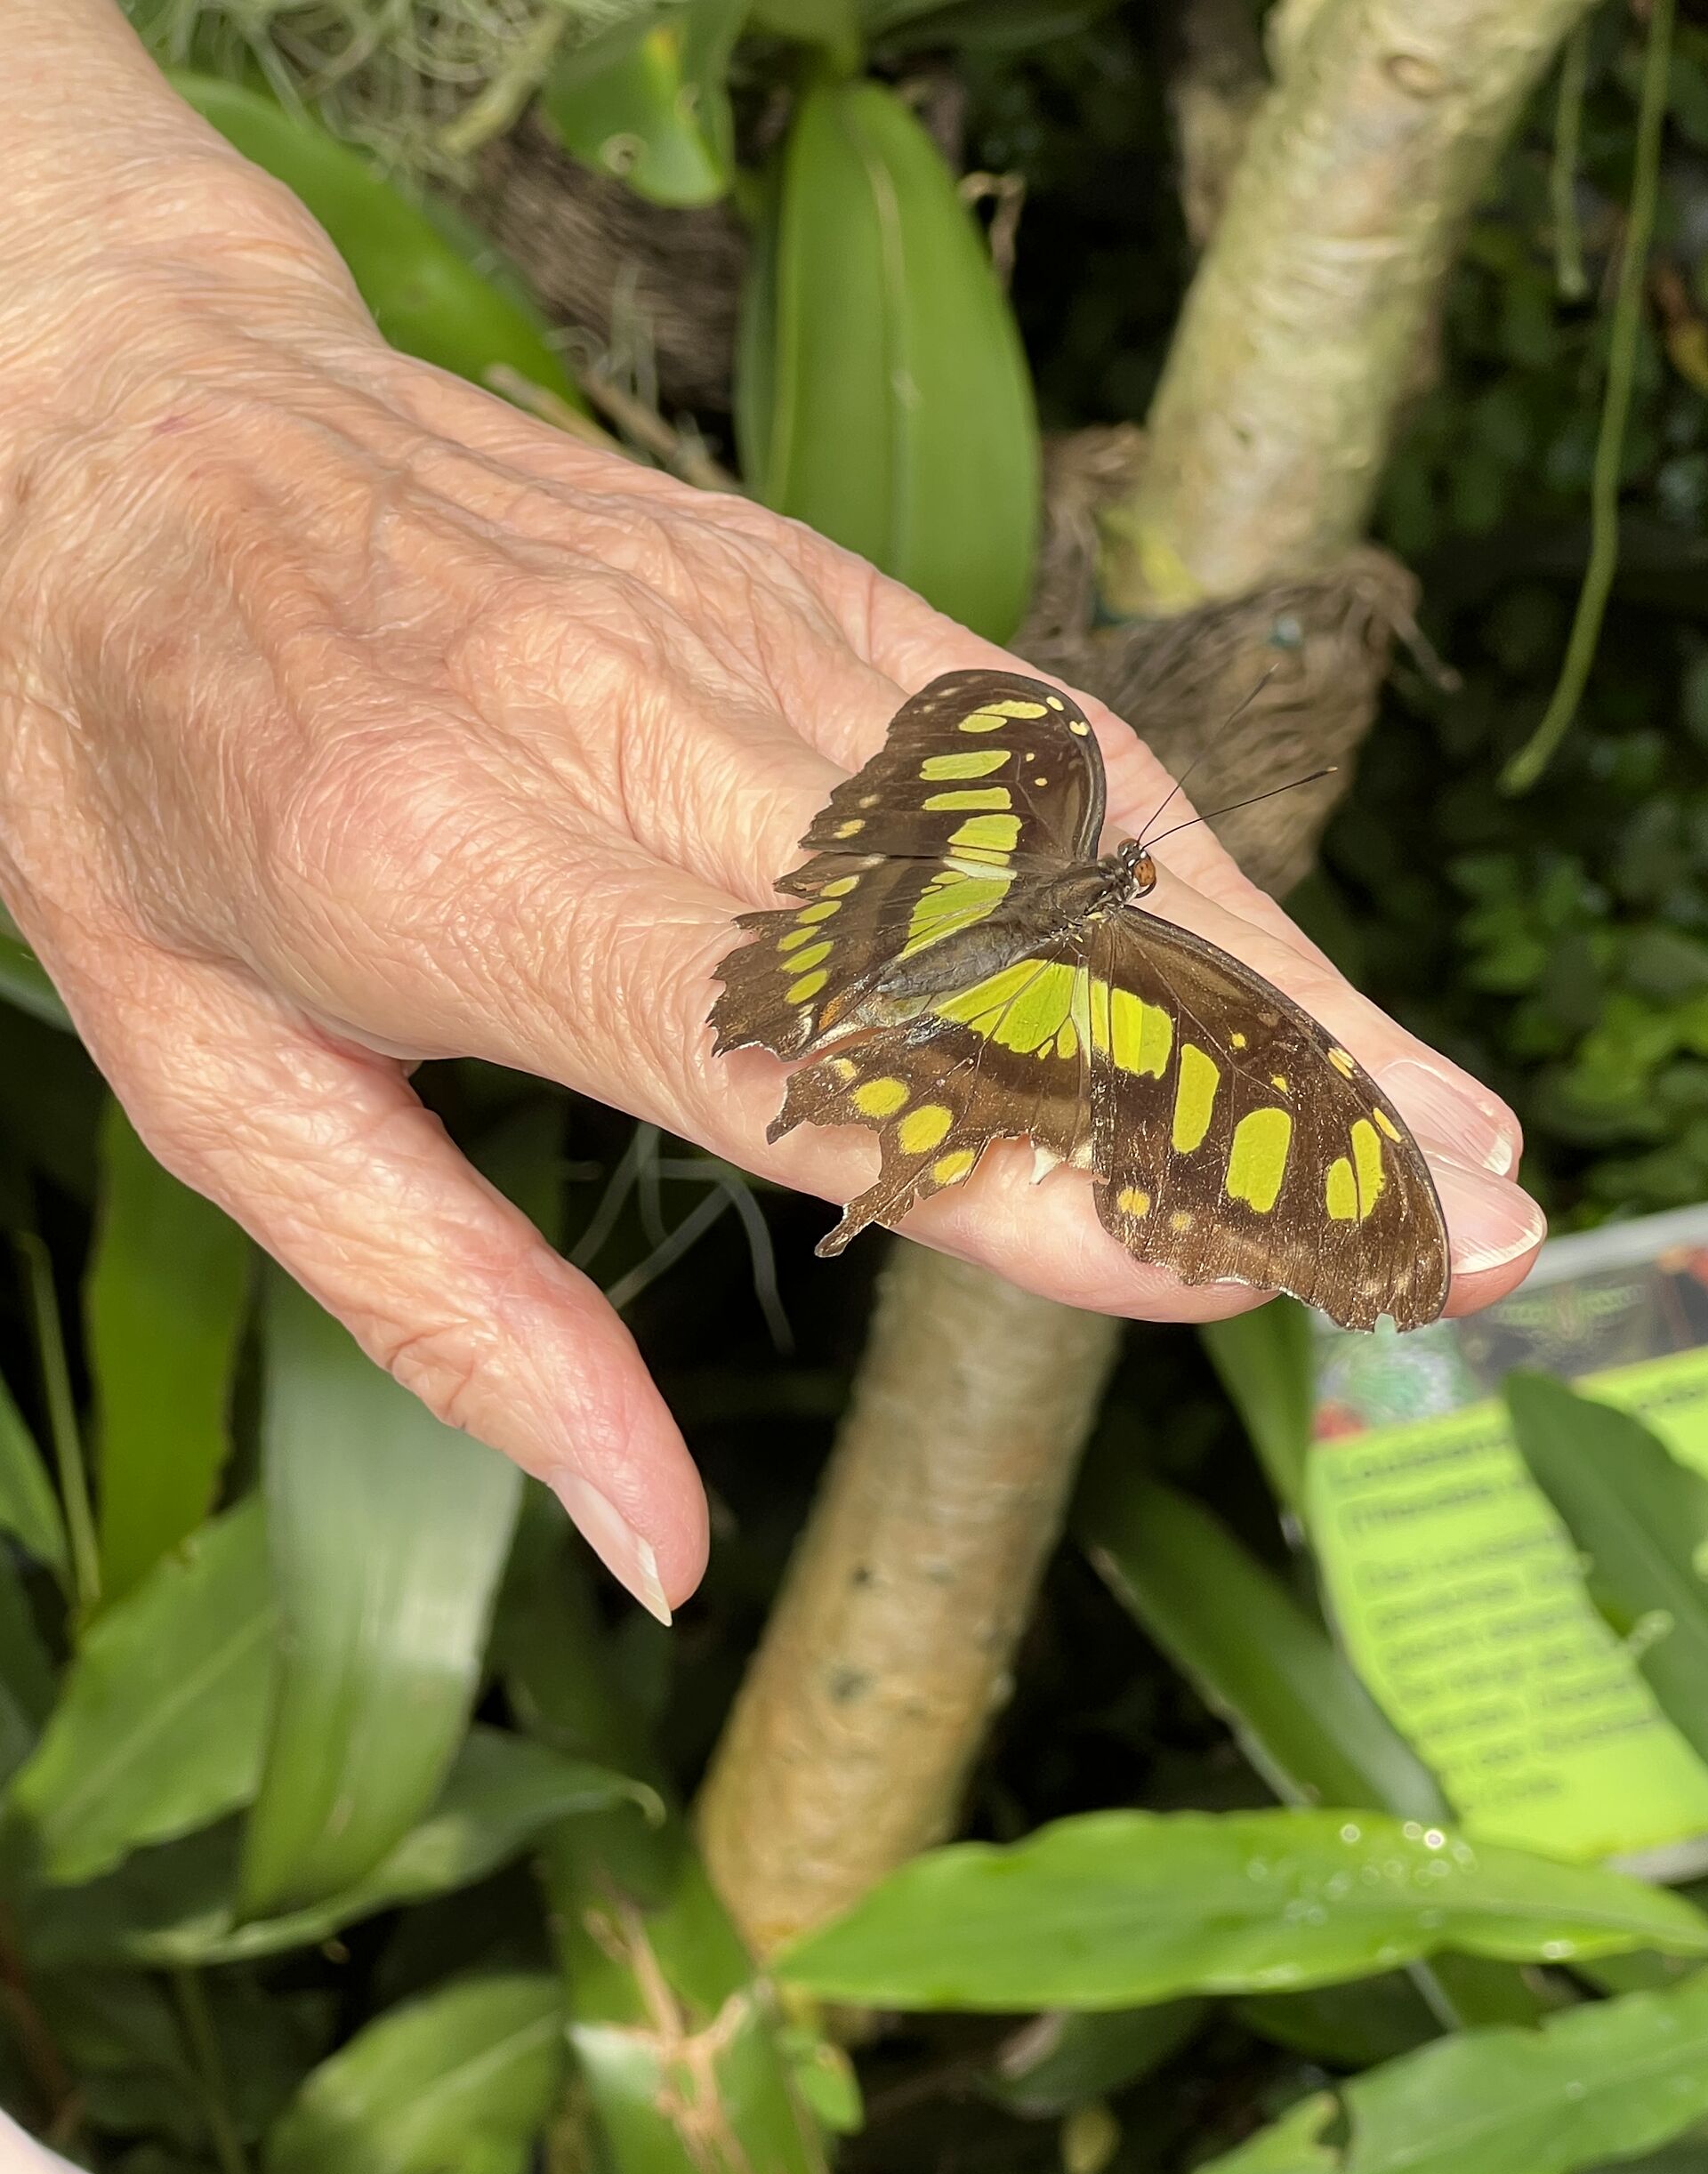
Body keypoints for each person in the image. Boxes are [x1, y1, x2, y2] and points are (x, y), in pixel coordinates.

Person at [2, 0, 1542, 1647]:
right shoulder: (1110, 872)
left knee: (951, 1011)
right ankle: (874, 1039)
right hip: (1000, 990)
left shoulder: (1031, 777)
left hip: (966, 976)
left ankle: (864, 1033)